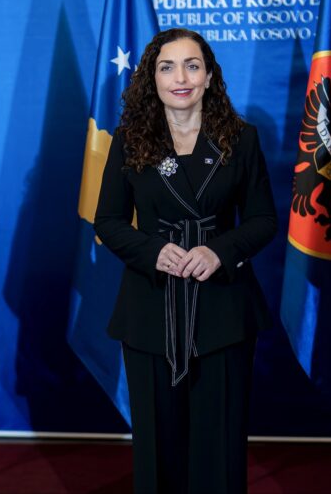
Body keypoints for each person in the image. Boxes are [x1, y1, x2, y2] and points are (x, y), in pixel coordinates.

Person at [94, 28, 276, 494]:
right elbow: (108, 221)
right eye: (167, 67)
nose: (181, 78)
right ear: (152, 79)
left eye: (192, 66)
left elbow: (263, 220)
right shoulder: (130, 141)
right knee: (159, 450)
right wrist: (153, 251)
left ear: (209, 76)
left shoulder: (241, 139)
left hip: (223, 310)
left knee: (220, 448)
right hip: (150, 309)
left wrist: (220, 251)